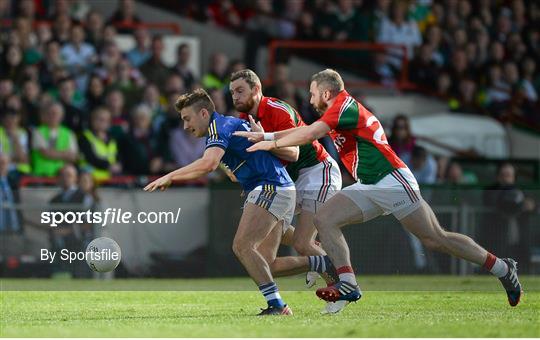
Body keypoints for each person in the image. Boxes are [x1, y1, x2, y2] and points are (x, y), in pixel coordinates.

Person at [237, 69, 523, 309]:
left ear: (326, 93)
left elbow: (310, 133)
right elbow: (308, 128)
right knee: (325, 219)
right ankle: (347, 282)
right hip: (370, 184)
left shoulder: (343, 106)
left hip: (391, 179)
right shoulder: (337, 111)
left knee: (435, 239)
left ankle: (501, 267)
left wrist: (271, 140)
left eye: (312, 93)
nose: (310, 100)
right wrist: (268, 135)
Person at [144, 89, 340, 316]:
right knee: (268, 265)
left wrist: (170, 175)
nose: (186, 126)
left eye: (187, 119)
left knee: (242, 246)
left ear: (204, 113)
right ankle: (322, 263)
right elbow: (235, 168)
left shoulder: (219, 127)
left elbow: (208, 164)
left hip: (270, 186)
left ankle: (277, 305)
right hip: (278, 187)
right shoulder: (227, 126)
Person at [229, 69, 343, 294]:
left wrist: (265, 139)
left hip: (318, 172)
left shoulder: (276, 109)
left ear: (256, 89)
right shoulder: (244, 120)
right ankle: (317, 255)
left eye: (240, 91)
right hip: (288, 181)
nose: (235, 97)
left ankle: (343, 286)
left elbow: (293, 154)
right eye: (232, 92)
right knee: (266, 260)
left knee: (302, 243)